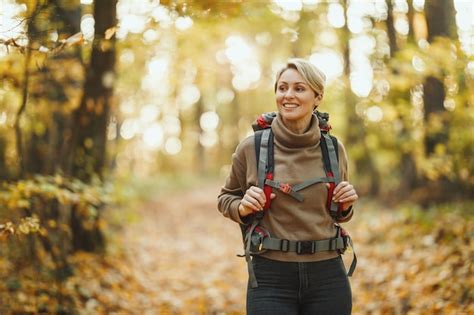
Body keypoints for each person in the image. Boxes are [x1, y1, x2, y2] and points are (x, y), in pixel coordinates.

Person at [217, 58, 358, 314]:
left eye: (299, 88)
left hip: (328, 277)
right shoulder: (252, 147)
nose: (288, 95)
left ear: (317, 97)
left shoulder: (333, 149)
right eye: (282, 88)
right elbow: (226, 198)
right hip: (270, 277)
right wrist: (242, 207)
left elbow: (339, 212)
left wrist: (346, 206)